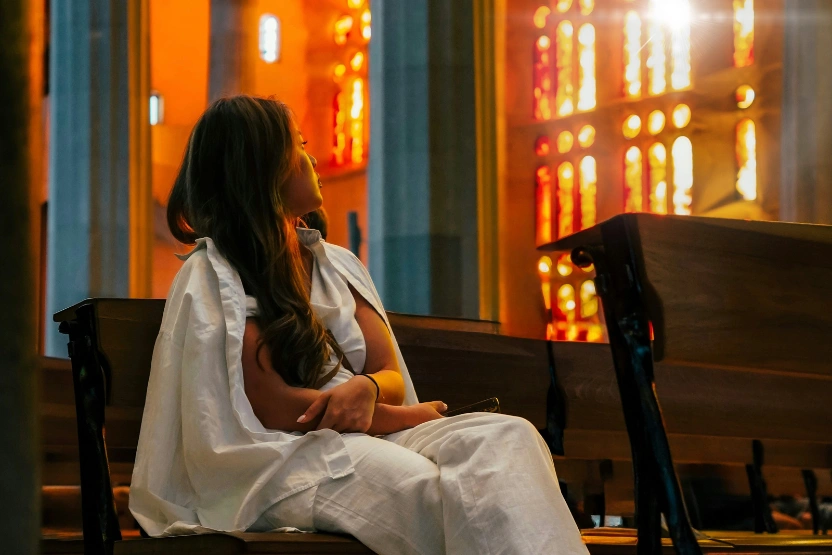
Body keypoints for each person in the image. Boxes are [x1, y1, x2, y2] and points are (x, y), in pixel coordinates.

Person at [129, 95, 588, 555]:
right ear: (261, 167)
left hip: (374, 431)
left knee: (509, 438)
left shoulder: (338, 265)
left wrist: (369, 389)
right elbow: (272, 406)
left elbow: (389, 373)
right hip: (280, 455)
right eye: (298, 145)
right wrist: (396, 414)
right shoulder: (214, 273)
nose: (311, 158)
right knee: (423, 488)